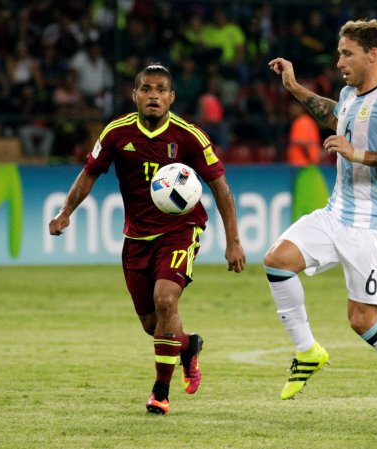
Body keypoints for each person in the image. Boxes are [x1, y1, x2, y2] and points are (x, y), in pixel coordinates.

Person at [265, 19, 377, 438]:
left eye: (347, 53)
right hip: (335, 213)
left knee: (362, 320)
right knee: (277, 261)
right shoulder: (349, 94)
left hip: (373, 227)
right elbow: (334, 114)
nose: (339, 60)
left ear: (372, 55)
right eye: (339, 52)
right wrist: (294, 87)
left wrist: (358, 154)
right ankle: (307, 351)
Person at [49, 64, 246, 415]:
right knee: (153, 325)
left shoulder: (189, 136)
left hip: (181, 230)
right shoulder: (116, 133)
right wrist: (66, 211)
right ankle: (188, 345)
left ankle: (160, 392)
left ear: (171, 97)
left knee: (166, 300)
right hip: (137, 236)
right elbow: (88, 175)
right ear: (135, 94)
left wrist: (233, 241)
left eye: (160, 90)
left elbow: (220, 188)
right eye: (146, 88)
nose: (153, 95)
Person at [286, 100, 321, 166]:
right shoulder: (310, 121)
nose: (291, 110)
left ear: (301, 108)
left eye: (294, 107)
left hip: (301, 164)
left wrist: (309, 160)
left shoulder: (300, 122)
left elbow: (303, 143)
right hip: (310, 163)